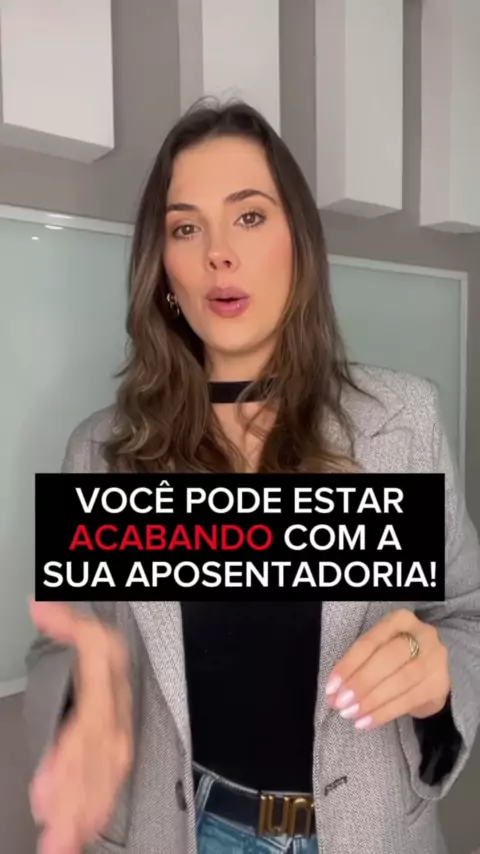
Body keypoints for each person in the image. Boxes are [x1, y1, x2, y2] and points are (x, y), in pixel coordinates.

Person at [24, 100, 480, 854]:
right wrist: (78, 704)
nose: (218, 254)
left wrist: (440, 678)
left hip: (367, 833)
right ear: (163, 271)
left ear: (299, 242)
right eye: (185, 228)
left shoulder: (403, 423)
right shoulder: (102, 452)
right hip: (183, 830)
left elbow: (469, 614)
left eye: (249, 217)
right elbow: (63, 647)